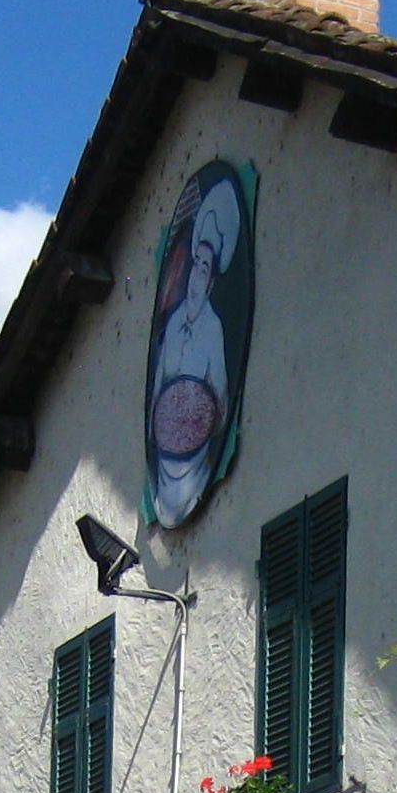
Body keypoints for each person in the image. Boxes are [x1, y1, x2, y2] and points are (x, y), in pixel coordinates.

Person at [147, 173, 245, 528]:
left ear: (211, 281)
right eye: (193, 270)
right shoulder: (173, 325)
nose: (194, 279)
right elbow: (159, 380)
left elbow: (218, 390)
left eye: (203, 270)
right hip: (168, 444)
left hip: (195, 453)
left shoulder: (215, 329)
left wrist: (200, 417)